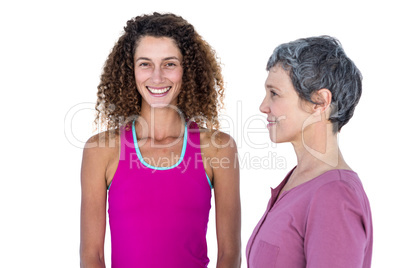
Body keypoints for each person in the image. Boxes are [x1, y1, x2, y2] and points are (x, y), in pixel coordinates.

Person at [80, 12, 241, 268]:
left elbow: (229, 255)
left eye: (169, 64)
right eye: (145, 64)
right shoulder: (101, 150)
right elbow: (92, 256)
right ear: (129, 70)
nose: (157, 77)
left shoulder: (219, 148)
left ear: (187, 70)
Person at [246, 36, 373, 267]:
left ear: (320, 101)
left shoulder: (335, 195)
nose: (263, 107)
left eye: (274, 93)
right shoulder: (300, 181)